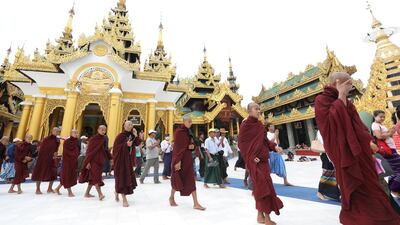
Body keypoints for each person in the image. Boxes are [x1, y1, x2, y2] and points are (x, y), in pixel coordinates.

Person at [315, 72, 400, 224]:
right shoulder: (321, 100)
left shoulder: (348, 103)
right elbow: (332, 126)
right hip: (344, 157)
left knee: (374, 190)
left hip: (361, 155)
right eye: (349, 84)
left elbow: (359, 128)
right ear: (339, 82)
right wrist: (340, 96)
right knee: (356, 193)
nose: (351, 88)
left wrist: (368, 143)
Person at [238, 102, 283, 225]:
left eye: (259, 109)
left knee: (259, 189)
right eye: (256, 109)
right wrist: (251, 158)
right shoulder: (245, 125)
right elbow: (241, 145)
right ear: (249, 111)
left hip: (264, 162)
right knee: (264, 189)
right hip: (254, 163)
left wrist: (274, 147)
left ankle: (260, 216)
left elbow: (265, 141)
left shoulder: (259, 125)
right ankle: (267, 219)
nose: (258, 111)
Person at [169, 114, 205, 210]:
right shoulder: (179, 132)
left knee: (190, 181)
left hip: (188, 160)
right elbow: (177, 148)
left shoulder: (188, 132)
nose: (191, 123)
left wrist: (192, 146)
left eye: (191, 121)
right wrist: (177, 161)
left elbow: (189, 143)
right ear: (184, 122)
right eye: (189, 121)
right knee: (178, 180)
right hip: (180, 160)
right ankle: (171, 197)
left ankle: (196, 203)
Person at [79, 125, 112, 200]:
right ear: (98, 130)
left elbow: (106, 150)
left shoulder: (104, 139)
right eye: (102, 130)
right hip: (93, 161)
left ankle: (87, 193)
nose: (103, 131)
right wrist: (87, 162)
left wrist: (110, 158)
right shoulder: (93, 139)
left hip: (100, 161)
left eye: (105, 130)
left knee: (93, 178)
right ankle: (100, 194)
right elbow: (89, 152)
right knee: (96, 178)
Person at [113, 121, 141, 207]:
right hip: (120, 160)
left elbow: (137, 143)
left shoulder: (131, 135)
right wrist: (126, 145)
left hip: (128, 160)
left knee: (124, 177)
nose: (130, 126)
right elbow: (116, 149)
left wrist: (136, 135)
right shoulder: (120, 136)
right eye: (128, 124)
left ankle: (117, 192)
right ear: (124, 126)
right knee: (121, 177)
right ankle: (124, 199)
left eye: (131, 124)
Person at [372, 110, 400, 195]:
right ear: (375, 116)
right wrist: (390, 132)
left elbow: (386, 136)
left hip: (391, 148)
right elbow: (379, 136)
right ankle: (393, 188)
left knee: (397, 170)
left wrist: (390, 132)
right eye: (380, 116)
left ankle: (393, 185)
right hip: (388, 150)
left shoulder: (381, 125)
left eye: (383, 116)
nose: (382, 118)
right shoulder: (375, 125)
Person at [31, 127, 61, 194]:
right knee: (40, 172)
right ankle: (37, 189)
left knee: (53, 172)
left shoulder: (57, 140)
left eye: (58, 131)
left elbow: (56, 149)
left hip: (52, 159)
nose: (57, 133)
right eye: (56, 131)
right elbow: (42, 149)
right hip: (43, 159)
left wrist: (55, 153)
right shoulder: (46, 139)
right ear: (52, 131)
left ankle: (49, 188)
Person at [314, 130, 341, 201]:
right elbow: (323, 142)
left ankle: (334, 193)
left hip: (329, 153)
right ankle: (320, 192)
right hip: (325, 154)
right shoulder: (321, 130)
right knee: (326, 174)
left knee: (332, 174)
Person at [54, 129, 80, 197]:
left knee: (66, 176)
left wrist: (76, 156)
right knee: (67, 175)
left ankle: (57, 189)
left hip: (74, 161)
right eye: (74, 133)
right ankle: (69, 192)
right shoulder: (67, 141)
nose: (76, 134)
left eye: (77, 133)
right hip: (67, 161)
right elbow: (66, 152)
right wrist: (74, 155)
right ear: (71, 134)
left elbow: (78, 150)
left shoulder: (77, 141)